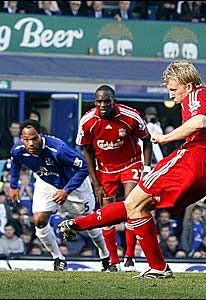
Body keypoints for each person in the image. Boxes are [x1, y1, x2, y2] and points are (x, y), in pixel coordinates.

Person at [59, 60, 206, 278]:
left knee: (133, 202)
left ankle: (82, 226)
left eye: (173, 89)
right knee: (138, 206)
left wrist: (165, 137)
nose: (171, 95)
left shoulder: (197, 95)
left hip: (194, 160)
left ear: (187, 85)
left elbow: (199, 122)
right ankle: (154, 266)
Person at [9, 119, 110, 271]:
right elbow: (15, 164)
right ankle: (58, 258)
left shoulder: (59, 150)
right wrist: (13, 186)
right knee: (39, 220)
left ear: (41, 135)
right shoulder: (18, 150)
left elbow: (83, 167)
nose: (30, 143)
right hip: (47, 182)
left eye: (34, 138)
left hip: (74, 185)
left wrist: (66, 190)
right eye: (26, 139)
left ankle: (105, 255)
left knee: (90, 222)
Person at [73, 84, 152, 272]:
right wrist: (95, 183)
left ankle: (130, 256)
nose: (103, 105)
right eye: (99, 101)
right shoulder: (87, 122)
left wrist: (147, 170)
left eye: (106, 101)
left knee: (132, 206)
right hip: (105, 170)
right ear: (95, 102)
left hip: (130, 164)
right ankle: (113, 261)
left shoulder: (130, 116)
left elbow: (147, 140)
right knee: (107, 215)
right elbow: (87, 150)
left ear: (113, 102)